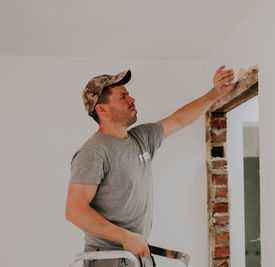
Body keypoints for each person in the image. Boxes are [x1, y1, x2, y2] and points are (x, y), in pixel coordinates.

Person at [65, 65, 237, 266]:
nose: (132, 99)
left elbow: (179, 119)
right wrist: (125, 237)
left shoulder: (141, 138)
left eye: (129, 94)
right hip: (108, 258)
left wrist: (215, 93)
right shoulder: (94, 152)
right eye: (123, 97)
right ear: (102, 109)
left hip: (136, 253)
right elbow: (74, 211)